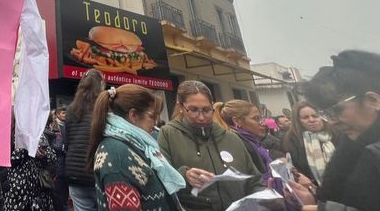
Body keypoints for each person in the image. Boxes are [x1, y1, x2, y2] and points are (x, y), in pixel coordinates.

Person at [287, 50, 380, 211]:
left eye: (336, 110)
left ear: (373, 100)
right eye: (325, 113)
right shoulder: (351, 144)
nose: (331, 121)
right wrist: (314, 200)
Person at [157, 80, 264, 211]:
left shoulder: (231, 138)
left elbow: (254, 180)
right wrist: (184, 176)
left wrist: (262, 198)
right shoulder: (168, 135)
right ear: (181, 107)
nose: (201, 117)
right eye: (194, 110)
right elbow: (161, 179)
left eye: (207, 110)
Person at [88, 84, 185, 211]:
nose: (155, 124)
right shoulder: (116, 155)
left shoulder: (138, 144)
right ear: (133, 115)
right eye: (151, 117)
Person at [65, 69, 104, 211]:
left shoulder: (70, 110)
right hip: (96, 173)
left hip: (74, 174)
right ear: (100, 85)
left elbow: (67, 142)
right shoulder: (103, 109)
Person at [212, 100, 273, 180]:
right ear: (237, 121)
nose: (262, 123)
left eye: (261, 118)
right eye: (256, 118)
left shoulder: (251, 141)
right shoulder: (239, 144)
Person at [280, 101, 335, 187]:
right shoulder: (291, 141)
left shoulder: (337, 134)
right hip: (311, 191)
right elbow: (291, 169)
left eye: (315, 116)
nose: (311, 120)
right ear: (298, 121)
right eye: (305, 117)